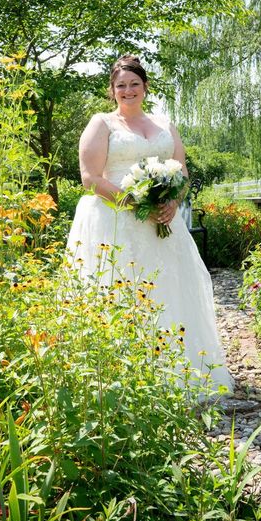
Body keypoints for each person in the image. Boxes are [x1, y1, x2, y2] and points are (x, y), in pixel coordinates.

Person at [65, 55, 234, 394]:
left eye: (134, 84)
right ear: (112, 91)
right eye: (121, 86)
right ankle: (120, 380)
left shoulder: (164, 124)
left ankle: (176, 373)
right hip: (112, 220)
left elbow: (181, 171)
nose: (128, 91)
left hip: (162, 224)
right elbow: (90, 178)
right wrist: (136, 202)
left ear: (145, 87)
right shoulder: (101, 124)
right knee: (120, 292)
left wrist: (172, 201)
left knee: (168, 290)